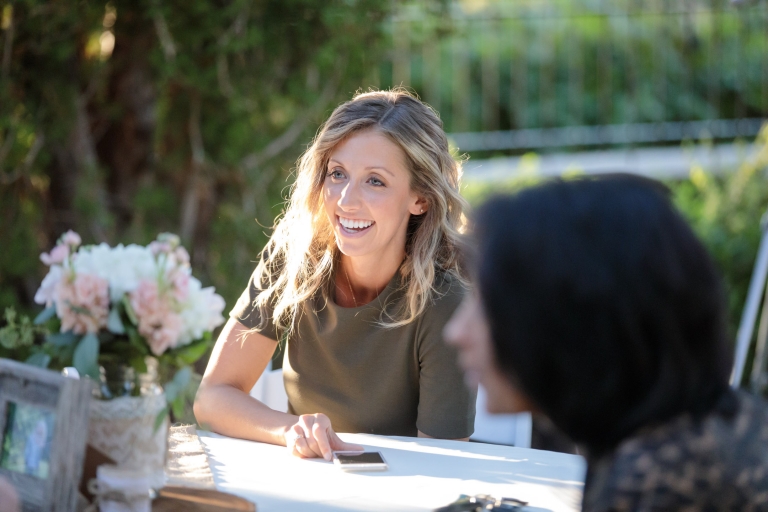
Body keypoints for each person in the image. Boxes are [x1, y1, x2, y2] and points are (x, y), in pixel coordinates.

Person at [445, 175, 768, 510]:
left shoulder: (652, 487)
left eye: (483, 306)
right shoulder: (727, 429)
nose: (456, 332)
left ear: (565, 320)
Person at [194, 89, 476, 461]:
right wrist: (292, 430)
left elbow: (441, 467)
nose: (345, 200)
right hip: (303, 484)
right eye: (337, 173)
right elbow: (213, 397)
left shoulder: (445, 303)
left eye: (375, 181)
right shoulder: (293, 263)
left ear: (420, 199)